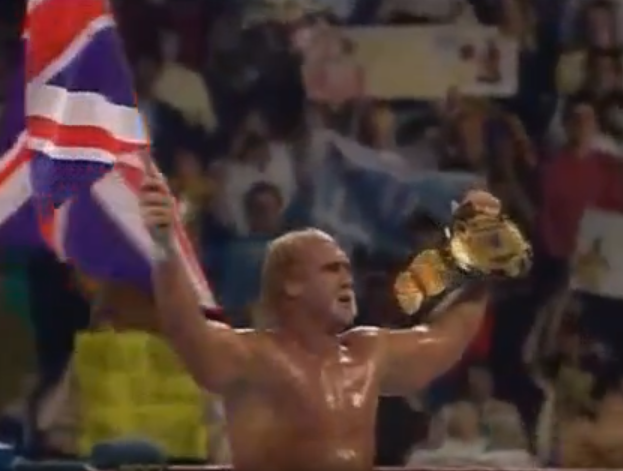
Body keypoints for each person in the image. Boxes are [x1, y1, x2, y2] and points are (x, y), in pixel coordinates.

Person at [140, 169, 500, 471]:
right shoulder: (255, 356)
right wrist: (164, 247)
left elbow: (447, 335)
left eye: (346, 268)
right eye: (331, 269)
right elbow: (187, 329)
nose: (347, 279)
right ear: (292, 284)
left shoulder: (368, 352)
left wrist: (478, 262)